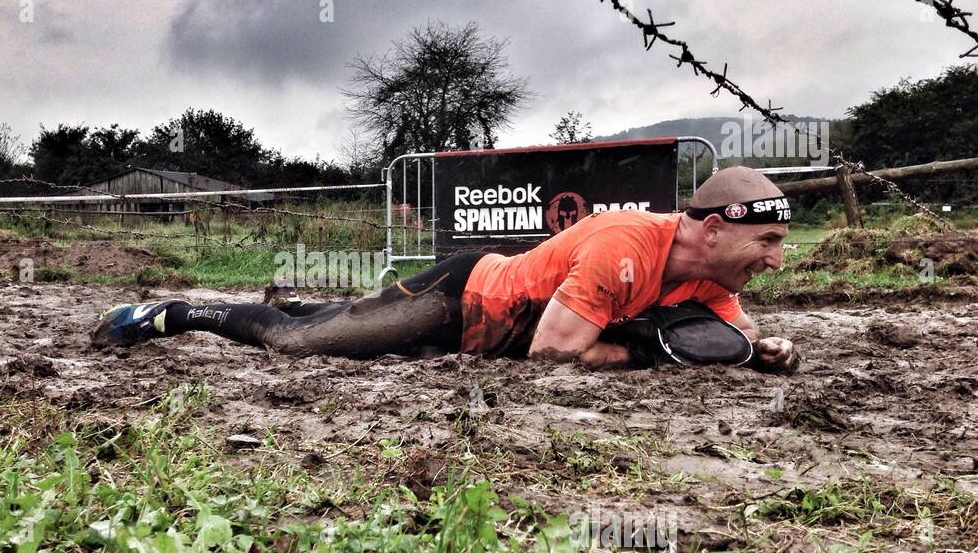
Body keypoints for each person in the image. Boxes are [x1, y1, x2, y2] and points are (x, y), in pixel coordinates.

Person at [91, 166, 798, 373]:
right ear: (712, 229)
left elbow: (728, 334)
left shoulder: (712, 275)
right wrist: (643, 350)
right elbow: (554, 352)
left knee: (337, 324)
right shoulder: (624, 246)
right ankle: (174, 313)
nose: (775, 259)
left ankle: (318, 305)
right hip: (459, 299)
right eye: (766, 241)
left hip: (479, 330)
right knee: (297, 344)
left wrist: (762, 351)